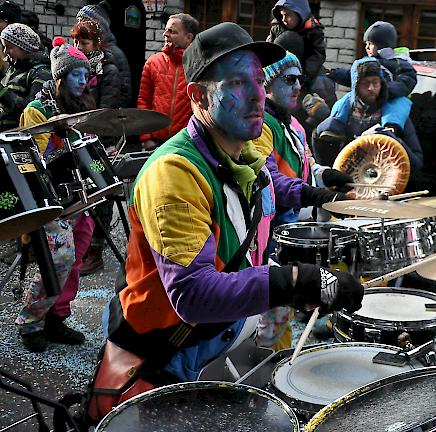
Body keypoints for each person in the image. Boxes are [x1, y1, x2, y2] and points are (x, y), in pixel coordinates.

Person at [88, 22, 363, 421]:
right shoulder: (175, 173)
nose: (257, 95)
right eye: (236, 83)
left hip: (223, 342)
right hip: (170, 359)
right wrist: (292, 281)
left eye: (257, 80)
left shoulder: (244, 155)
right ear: (198, 96)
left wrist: (315, 193)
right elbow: (193, 295)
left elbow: (261, 221)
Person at [252, 51, 353, 349]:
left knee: (283, 308)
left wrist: (329, 176)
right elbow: (269, 180)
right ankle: (261, 363)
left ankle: (276, 358)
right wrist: (314, 194)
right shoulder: (262, 125)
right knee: (273, 310)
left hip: (289, 227)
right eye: (289, 80)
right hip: (266, 230)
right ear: (268, 84)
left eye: (300, 79)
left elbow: (306, 168)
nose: (298, 86)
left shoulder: (294, 125)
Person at [16, 39, 96, 352]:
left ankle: (56, 318)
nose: (83, 80)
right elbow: (31, 161)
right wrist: (60, 143)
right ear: (61, 76)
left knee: (74, 260)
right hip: (50, 201)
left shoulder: (81, 108)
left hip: (79, 196)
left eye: (85, 75)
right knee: (60, 258)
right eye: (76, 74)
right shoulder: (37, 110)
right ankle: (30, 322)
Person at [70, 20, 121, 275]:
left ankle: (97, 249)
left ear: (97, 43)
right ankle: (80, 243)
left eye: (85, 43)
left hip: (101, 137)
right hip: (79, 135)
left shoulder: (108, 70)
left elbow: (108, 108)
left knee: (102, 191)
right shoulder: (75, 66)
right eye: (76, 42)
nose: (79, 47)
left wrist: (100, 137)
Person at [315, 56, 424, 171]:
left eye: (375, 82)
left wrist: (393, 142)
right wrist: (318, 136)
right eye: (365, 83)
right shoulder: (344, 117)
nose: (371, 88)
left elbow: (417, 163)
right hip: (347, 182)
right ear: (355, 87)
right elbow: (326, 164)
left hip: (386, 184)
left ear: (382, 84)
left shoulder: (396, 117)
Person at [324, 21, 417, 141]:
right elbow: (352, 76)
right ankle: (335, 125)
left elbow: (407, 80)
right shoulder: (367, 62)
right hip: (366, 101)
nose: (366, 47)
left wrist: (385, 90)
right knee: (346, 100)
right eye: (366, 44)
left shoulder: (399, 62)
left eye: (370, 43)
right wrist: (333, 73)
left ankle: (389, 127)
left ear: (383, 45)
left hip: (390, 98)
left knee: (399, 103)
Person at [137, 13, 197, 150]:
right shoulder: (153, 62)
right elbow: (143, 102)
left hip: (185, 143)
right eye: (166, 29)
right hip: (155, 143)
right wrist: (146, 138)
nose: (165, 34)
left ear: (188, 38)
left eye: (172, 31)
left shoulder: (197, 66)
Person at [266, 0, 329, 105]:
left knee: (321, 84)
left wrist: (304, 76)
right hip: (280, 67)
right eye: (281, 16)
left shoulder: (313, 30)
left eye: (287, 15)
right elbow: (270, 49)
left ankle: (320, 112)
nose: (284, 19)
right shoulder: (277, 28)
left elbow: (317, 56)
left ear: (300, 13)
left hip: (305, 69)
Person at [77, 4, 131, 108]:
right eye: (78, 21)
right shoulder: (79, 50)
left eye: (84, 21)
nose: (79, 25)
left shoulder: (114, 54)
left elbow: (125, 91)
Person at [0, 23, 51, 131]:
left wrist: (2, 92)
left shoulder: (41, 73)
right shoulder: (11, 70)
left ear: (24, 48)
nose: (5, 52)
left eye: (9, 47)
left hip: (20, 141)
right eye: (4, 47)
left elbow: (31, 111)